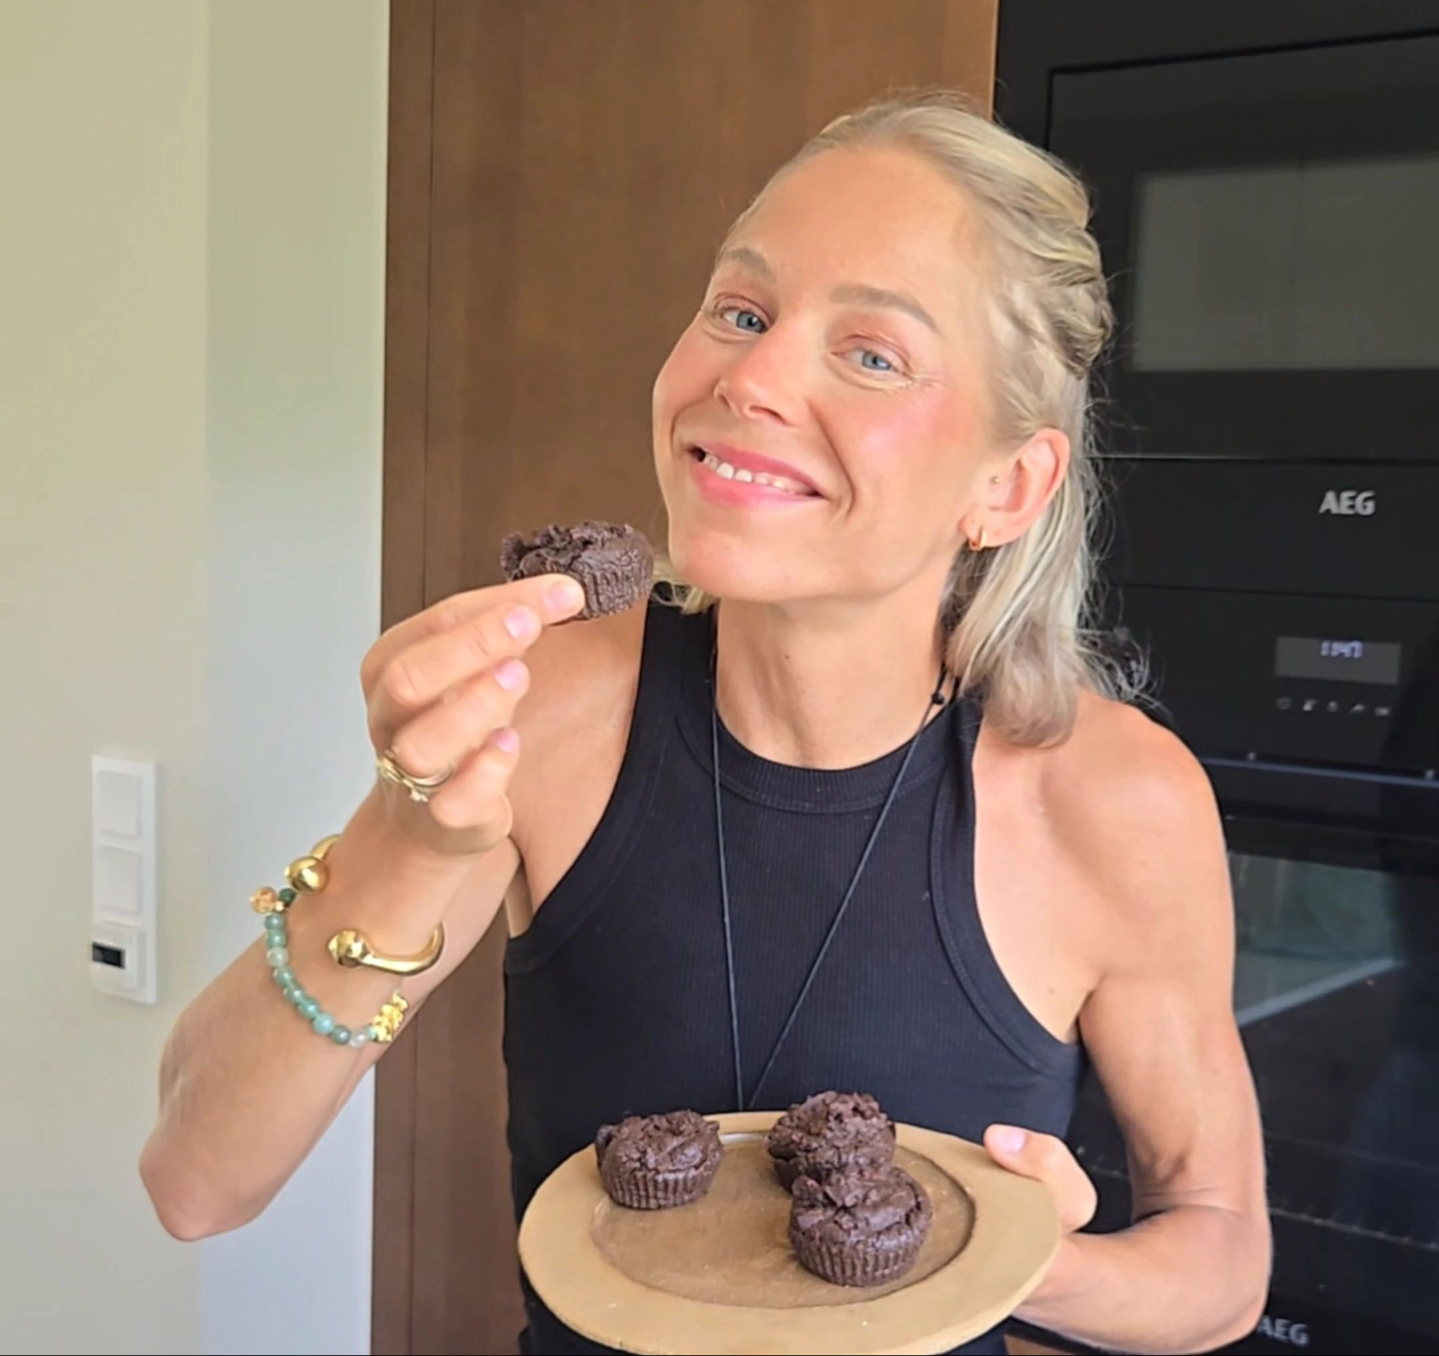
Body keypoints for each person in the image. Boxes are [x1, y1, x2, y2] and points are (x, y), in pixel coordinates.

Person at [141, 93, 1269, 1355]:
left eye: (871, 354)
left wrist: (1012, 1260)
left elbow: (1219, 1259)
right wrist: (407, 841)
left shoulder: (1112, 801)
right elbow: (196, 1180)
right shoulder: (551, 713)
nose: (751, 377)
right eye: (740, 311)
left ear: (1006, 487)